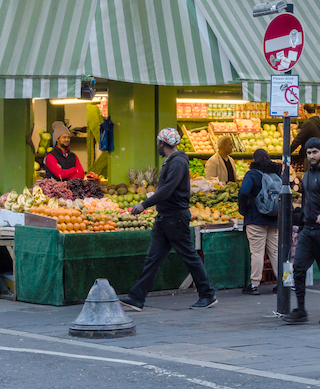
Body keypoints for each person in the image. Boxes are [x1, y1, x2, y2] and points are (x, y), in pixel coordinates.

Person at [119, 129, 217, 311]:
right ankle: (137, 297)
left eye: (158, 142)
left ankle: (207, 294)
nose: (157, 145)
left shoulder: (178, 162)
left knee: (189, 256)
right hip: (165, 217)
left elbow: (167, 189)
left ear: (162, 143)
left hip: (175, 217)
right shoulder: (171, 161)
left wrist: (144, 204)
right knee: (153, 258)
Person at [283, 138, 320, 325]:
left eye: (315, 152)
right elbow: (305, 202)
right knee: (298, 269)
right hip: (307, 232)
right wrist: (299, 228)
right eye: (309, 153)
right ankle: (300, 310)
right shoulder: (306, 176)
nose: (312, 156)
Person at [238, 148, 281, 295]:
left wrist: (244, 209)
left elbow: (243, 192)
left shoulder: (252, 174)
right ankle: (283, 283)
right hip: (274, 219)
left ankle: (255, 285)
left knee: (257, 252)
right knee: (275, 252)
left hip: (255, 219)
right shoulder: (275, 173)